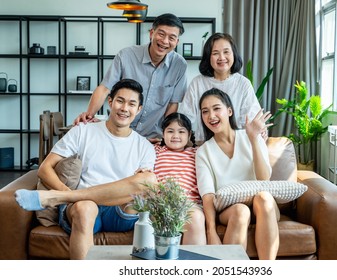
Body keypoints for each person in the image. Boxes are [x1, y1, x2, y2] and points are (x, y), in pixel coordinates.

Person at [15, 79, 157, 260]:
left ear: (138, 110)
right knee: (85, 208)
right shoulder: (83, 131)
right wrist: (69, 193)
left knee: (149, 180)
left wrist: (65, 197)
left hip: (121, 210)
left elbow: (143, 186)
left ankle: (58, 198)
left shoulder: (144, 146)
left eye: (131, 104)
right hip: (84, 208)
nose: (124, 108)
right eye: (120, 101)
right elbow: (45, 168)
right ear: (110, 102)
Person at [74, 13, 187, 143]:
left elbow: (173, 104)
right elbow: (105, 88)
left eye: (172, 37)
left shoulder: (179, 65)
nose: (165, 41)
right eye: (161, 34)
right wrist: (89, 115)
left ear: (177, 42)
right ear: (151, 33)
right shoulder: (126, 55)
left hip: (153, 137)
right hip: (118, 133)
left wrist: (166, 137)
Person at [195, 88, 278, 260]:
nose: (211, 116)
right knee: (241, 211)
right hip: (229, 209)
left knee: (263, 198)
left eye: (217, 108)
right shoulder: (203, 151)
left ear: (229, 111)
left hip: (262, 205)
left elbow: (264, 178)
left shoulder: (251, 136)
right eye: (205, 111)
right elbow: (208, 195)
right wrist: (211, 231)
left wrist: (254, 139)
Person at [178, 32, 266, 143]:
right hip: (204, 144)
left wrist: (260, 131)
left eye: (226, 52)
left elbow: (253, 120)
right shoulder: (197, 83)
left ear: (234, 54)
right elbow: (184, 118)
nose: (222, 57)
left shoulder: (243, 84)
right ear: (208, 57)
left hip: (236, 145)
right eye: (215, 53)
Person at [154, 112, 206, 245]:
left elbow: (219, 145)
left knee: (195, 217)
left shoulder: (196, 152)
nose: (175, 136)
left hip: (188, 203)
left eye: (181, 132)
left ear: (189, 135)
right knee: (158, 219)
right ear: (163, 134)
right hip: (161, 203)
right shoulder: (155, 151)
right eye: (170, 131)